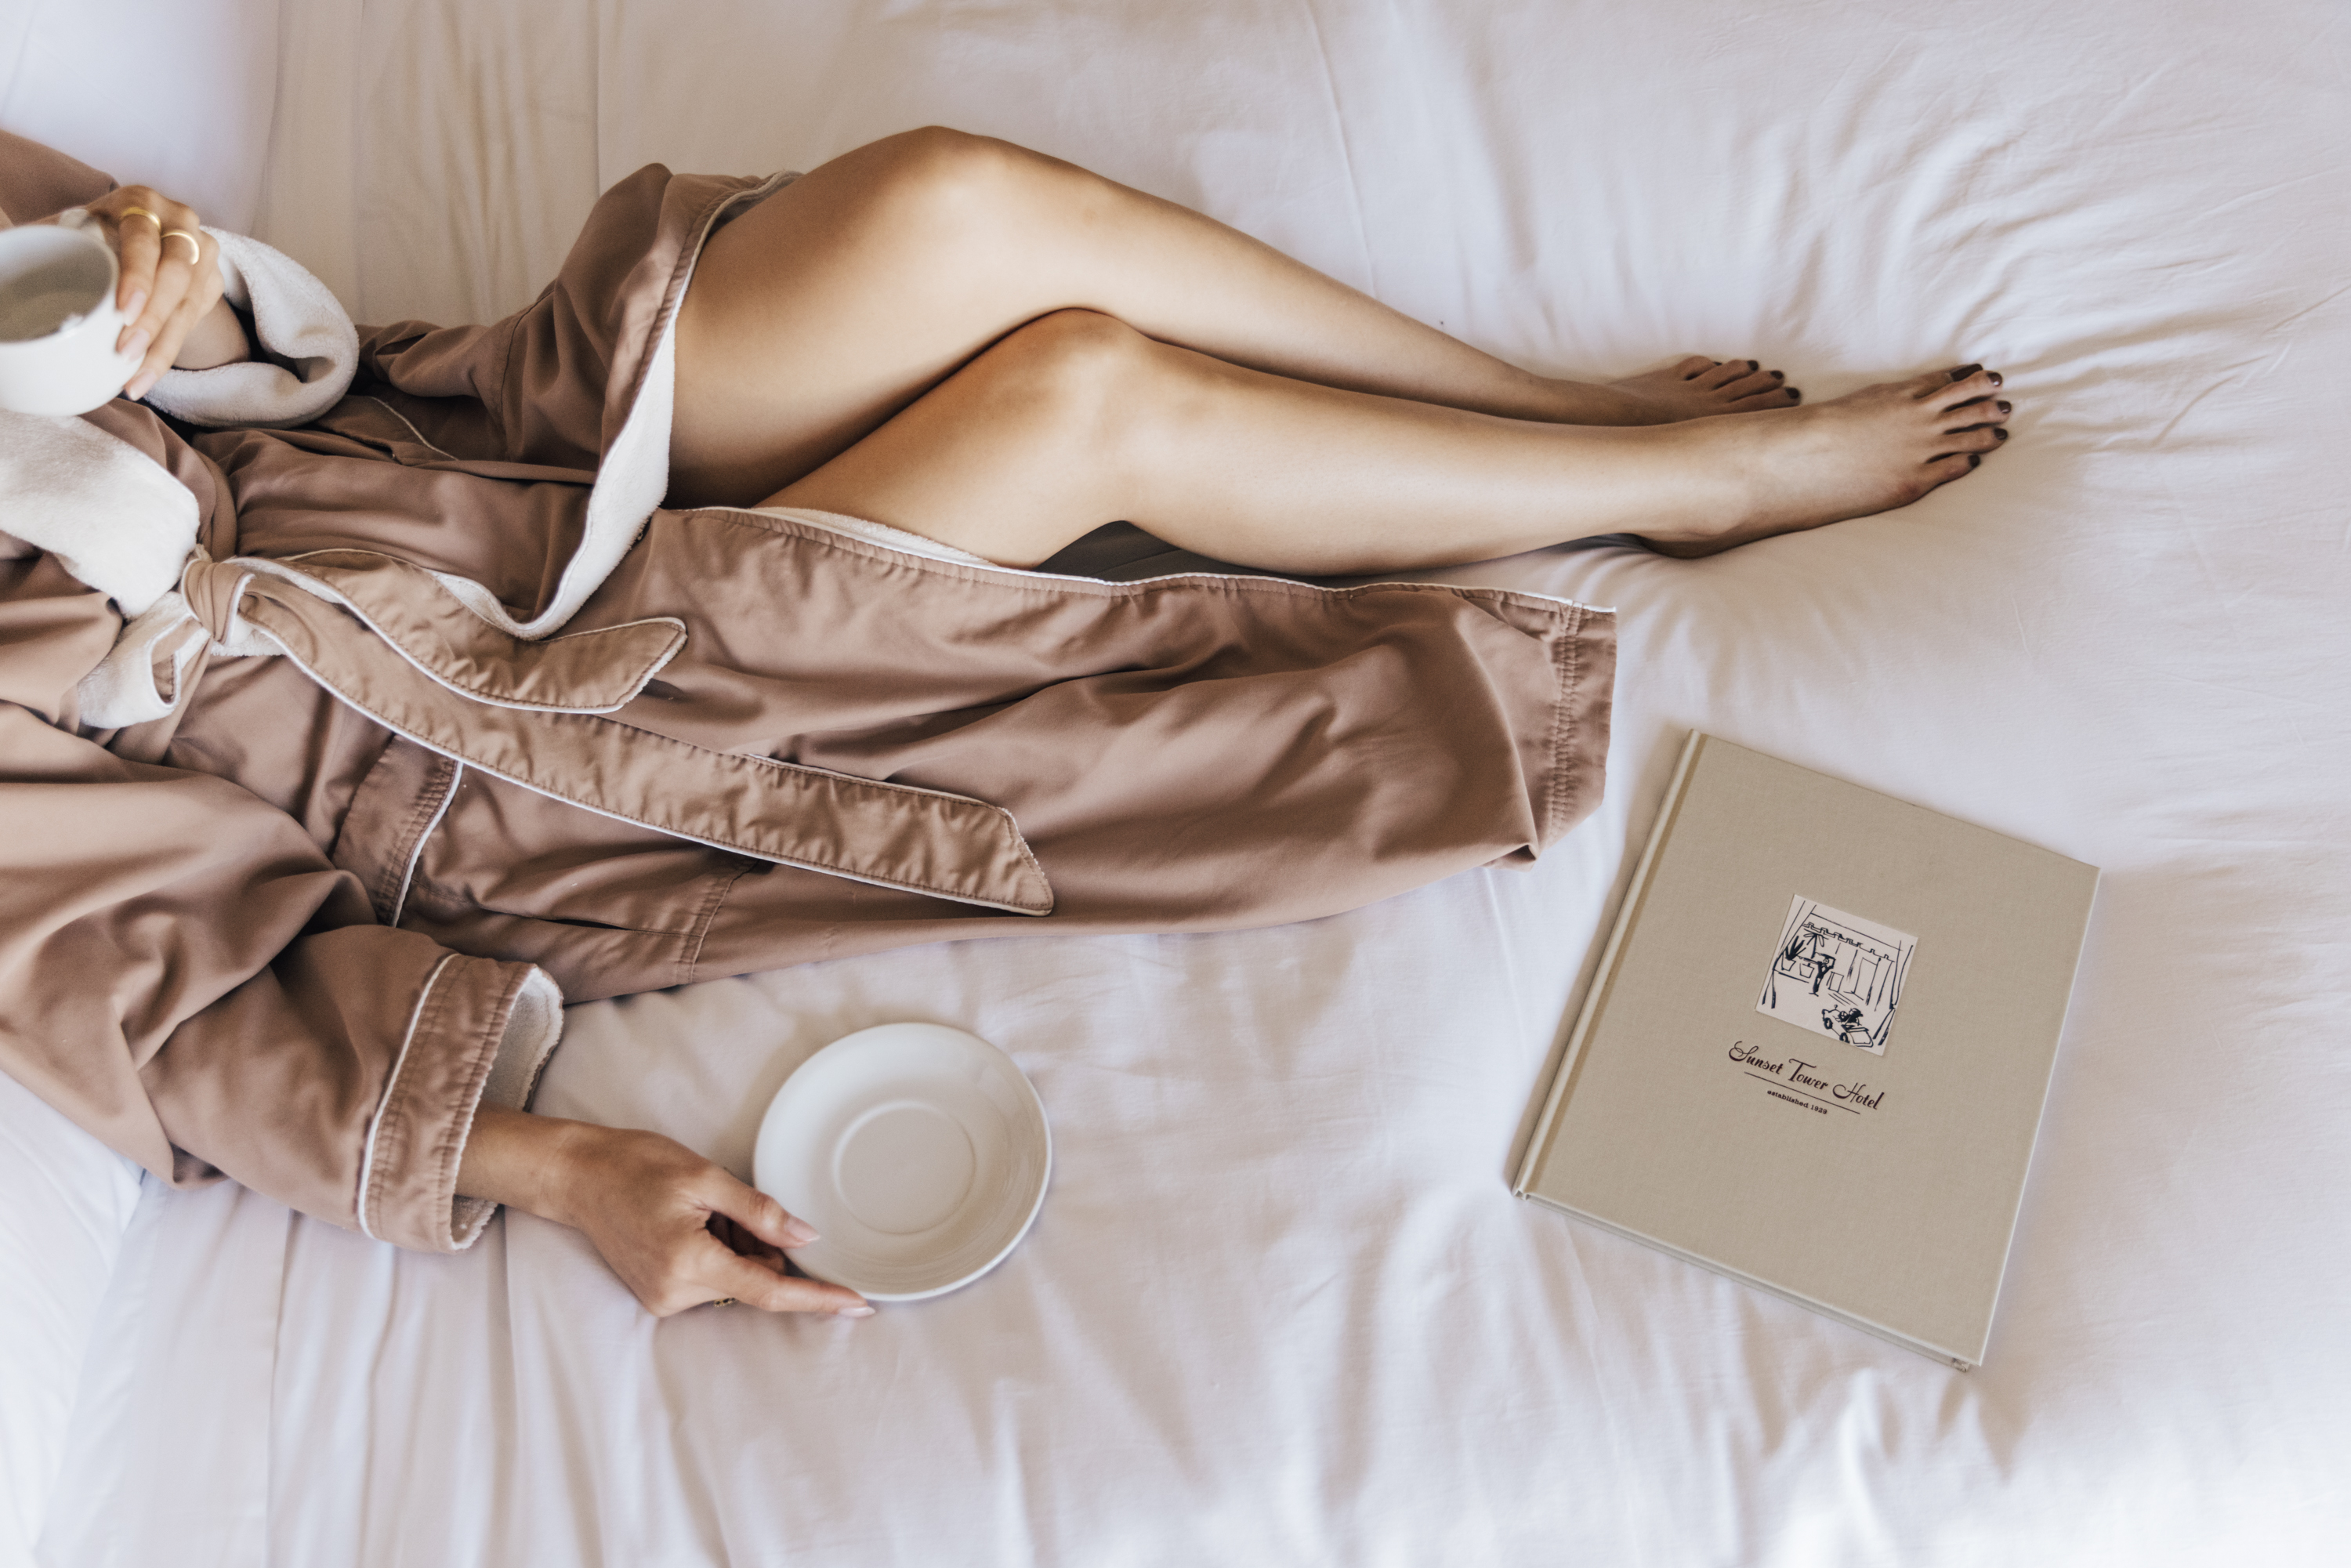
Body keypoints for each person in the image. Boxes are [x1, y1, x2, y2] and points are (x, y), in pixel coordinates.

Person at [0, 128, 2008, 1323]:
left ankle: (1551, 407)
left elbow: (162, 315)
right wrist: (552, 1165)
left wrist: (175, 280)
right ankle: (1688, 488)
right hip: (486, 740)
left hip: (446, 458)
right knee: (1077, 396)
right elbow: (142, 985)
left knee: (949, 204)